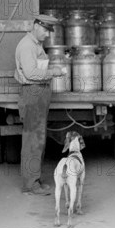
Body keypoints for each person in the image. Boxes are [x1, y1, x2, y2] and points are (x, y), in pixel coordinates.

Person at [14, 14, 66, 195]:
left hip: (38, 93)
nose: (47, 35)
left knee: (38, 138)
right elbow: (31, 73)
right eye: (45, 30)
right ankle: (30, 184)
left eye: (49, 31)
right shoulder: (27, 46)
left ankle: (35, 180)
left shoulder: (36, 45)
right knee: (32, 140)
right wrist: (54, 72)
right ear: (35, 26)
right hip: (33, 93)